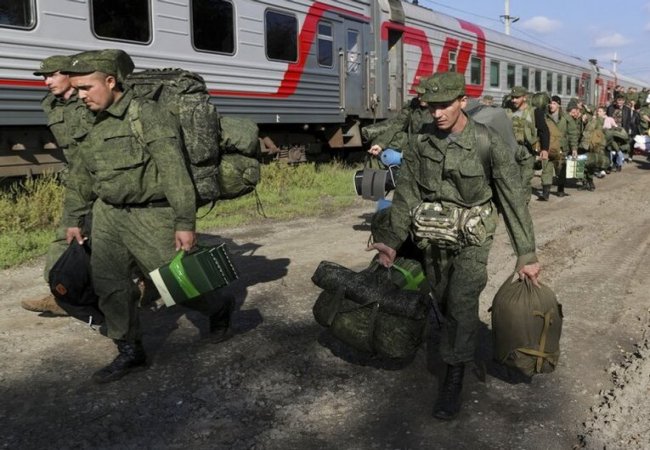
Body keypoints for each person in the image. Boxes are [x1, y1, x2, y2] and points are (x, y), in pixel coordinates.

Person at [368, 72, 541, 421]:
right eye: (432, 107)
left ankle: (453, 378)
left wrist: (527, 254)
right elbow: (406, 194)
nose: (437, 113)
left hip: (473, 238)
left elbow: (512, 199)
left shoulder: (487, 142)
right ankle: (455, 340)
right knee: (443, 297)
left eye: (445, 105)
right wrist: (392, 242)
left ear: (463, 101)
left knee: (462, 301)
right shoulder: (421, 141)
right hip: (433, 234)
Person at [61, 49, 233, 384]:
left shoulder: (147, 114)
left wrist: (185, 222)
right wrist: (73, 218)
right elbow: (80, 175)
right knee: (110, 286)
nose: (80, 96)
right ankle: (130, 351)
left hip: (151, 215)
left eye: (86, 87)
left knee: (180, 282)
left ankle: (219, 306)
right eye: (77, 89)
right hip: (107, 215)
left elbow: (173, 171)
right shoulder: (89, 120)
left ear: (110, 82)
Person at [20, 55, 92, 316]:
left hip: (105, 177)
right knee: (67, 234)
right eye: (44, 76)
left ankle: (147, 284)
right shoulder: (50, 103)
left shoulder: (90, 99)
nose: (47, 81)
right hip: (80, 179)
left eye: (52, 75)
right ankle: (60, 295)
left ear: (70, 75)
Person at [362, 75, 434, 156]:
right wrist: (381, 144)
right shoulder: (413, 105)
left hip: (430, 146)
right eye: (419, 94)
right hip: (413, 141)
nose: (420, 98)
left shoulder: (438, 110)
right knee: (382, 140)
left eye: (423, 95)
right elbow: (398, 124)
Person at [506, 86, 550, 202]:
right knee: (511, 181)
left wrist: (544, 149)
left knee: (524, 181)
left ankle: (523, 205)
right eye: (512, 97)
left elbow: (544, 131)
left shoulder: (534, 112)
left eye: (517, 98)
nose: (513, 100)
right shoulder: (507, 111)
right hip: (510, 151)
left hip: (527, 152)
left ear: (524, 97)